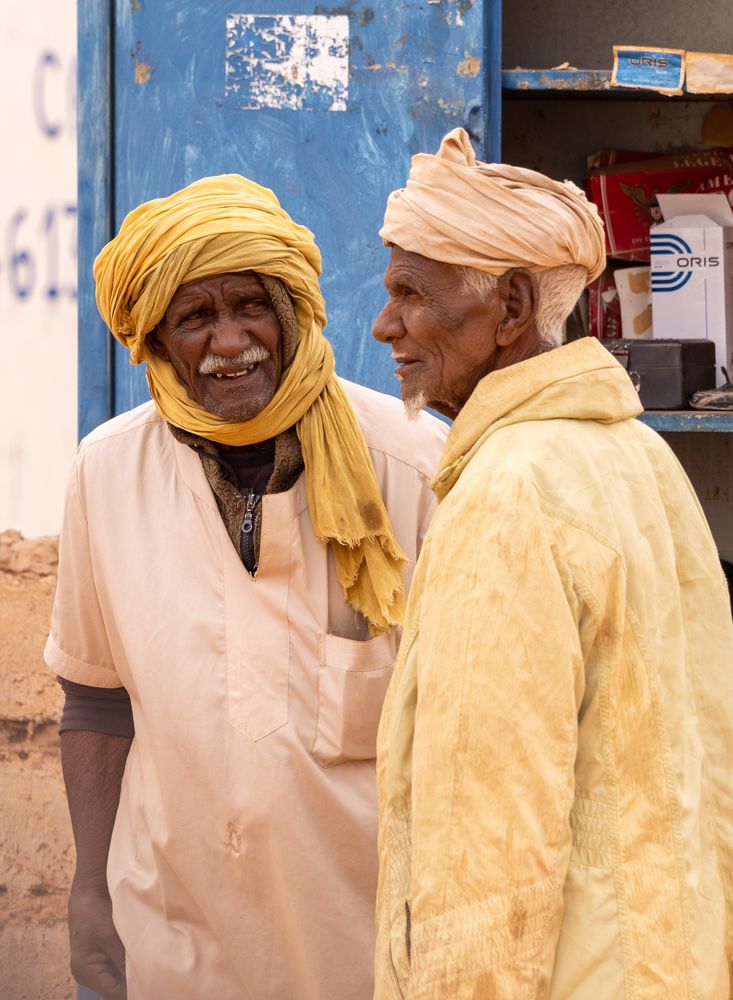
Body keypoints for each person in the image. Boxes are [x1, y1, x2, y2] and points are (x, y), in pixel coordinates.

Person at [46, 174, 447, 1000]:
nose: (231, 343)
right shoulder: (107, 474)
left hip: (365, 946)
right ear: (156, 339)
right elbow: (95, 697)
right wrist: (89, 889)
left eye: (250, 308)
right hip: (172, 938)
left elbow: (470, 720)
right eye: (195, 317)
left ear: (292, 314)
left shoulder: (413, 467)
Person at [371, 129, 733, 998]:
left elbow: (486, 852)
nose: (385, 324)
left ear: (509, 307)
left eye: (412, 295)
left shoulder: (507, 493)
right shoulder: (640, 458)